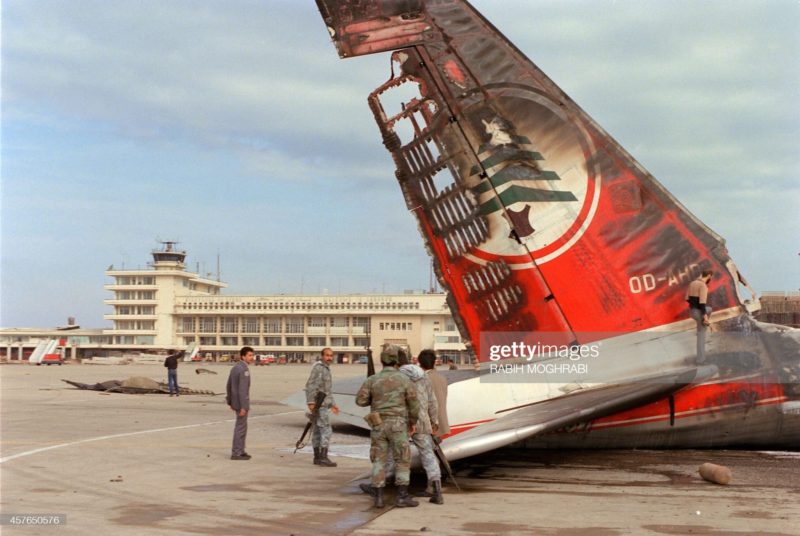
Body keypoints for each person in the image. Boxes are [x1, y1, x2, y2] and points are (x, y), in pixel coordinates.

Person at [356, 344, 420, 508]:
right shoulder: (405, 380)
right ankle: (402, 496)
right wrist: (412, 422)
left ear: (382, 361)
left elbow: (360, 401)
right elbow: (414, 404)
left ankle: (378, 498)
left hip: (378, 424)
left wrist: (375, 398)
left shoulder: (372, 380)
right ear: (396, 361)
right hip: (398, 424)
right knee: (402, 460)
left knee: (379, 460)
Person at [305, 347, 340, 467]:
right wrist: (310, 402)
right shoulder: (319, 369)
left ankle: (317, 457)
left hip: (324, 404)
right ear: (322, 356)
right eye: (327, 355)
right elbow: (311, 385)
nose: (329, 358)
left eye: (331, 355)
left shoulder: (325, 368)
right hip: (320, 405)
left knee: (317, 431)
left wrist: (333, 404)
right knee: (326, 430)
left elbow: (326, 390)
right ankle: (323, 457)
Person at [227, 346, 254, 460]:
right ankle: (237, 452)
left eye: (252, 355)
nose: (252, 358)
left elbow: (229, 385)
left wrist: (230, 402)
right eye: (250, 355)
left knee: (241, 427)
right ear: (243, 356)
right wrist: (243, 406)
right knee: (241, 428)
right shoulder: (243, 369)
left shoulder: (235, 368)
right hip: (241, 404)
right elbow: (243, 390)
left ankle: (240, 450)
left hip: (236, 403)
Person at [686, 269, 713, 364]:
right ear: (709, 275)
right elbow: (702, 304)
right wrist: (705, 317)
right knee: (701, 337)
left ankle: (703, 324)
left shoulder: (692, 283)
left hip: (692, 311)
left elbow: (687, 299)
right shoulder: (703, 286)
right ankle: (700, 360)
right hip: (699, 313)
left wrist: (694, 306)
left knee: (709, 309)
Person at [420, 350, 450, 438]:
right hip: (443, 424)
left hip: (430, 427)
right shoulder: (442, 379)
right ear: (434, 362)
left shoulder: (422, 380)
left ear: (420, 363)